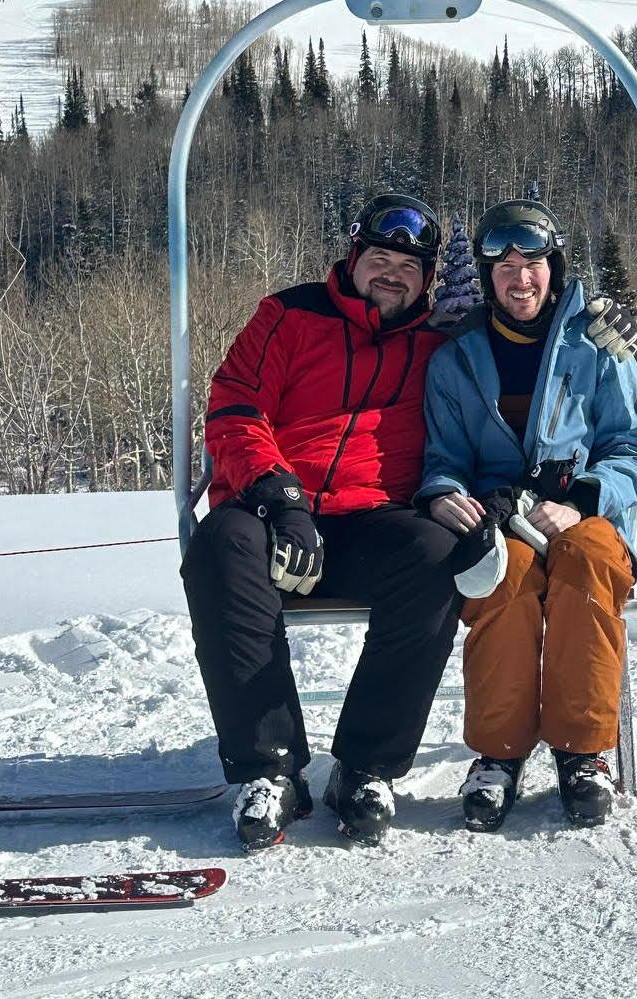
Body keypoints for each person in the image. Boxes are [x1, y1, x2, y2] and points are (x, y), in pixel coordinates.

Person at [180, 194, 460, 850]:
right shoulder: (290, 315)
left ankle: (366, 766)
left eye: (408, 267)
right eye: (380, 259)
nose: (391, 274)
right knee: (220, 543)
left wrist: (590, 329)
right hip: (273, 512)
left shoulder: (439, 343)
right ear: (354, 256)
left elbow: (524, 352)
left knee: (434, 553)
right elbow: (234, 407)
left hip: (373, 517)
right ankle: (270, 766)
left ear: (425, 279)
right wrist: (281, 495)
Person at [418, 198, 637, 831]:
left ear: (554, 267)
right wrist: (445, 492)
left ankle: (583, 751)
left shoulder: (598, 346)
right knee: (506, 578)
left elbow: (634, 450)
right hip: (503, 516)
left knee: (588, 567)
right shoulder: (458, 358)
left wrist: (581, 499)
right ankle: (499, 753)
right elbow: (443, 455)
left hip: (585, 511)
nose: (520, 280)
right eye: (504, 268)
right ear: (488, 277)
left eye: (533, 265)